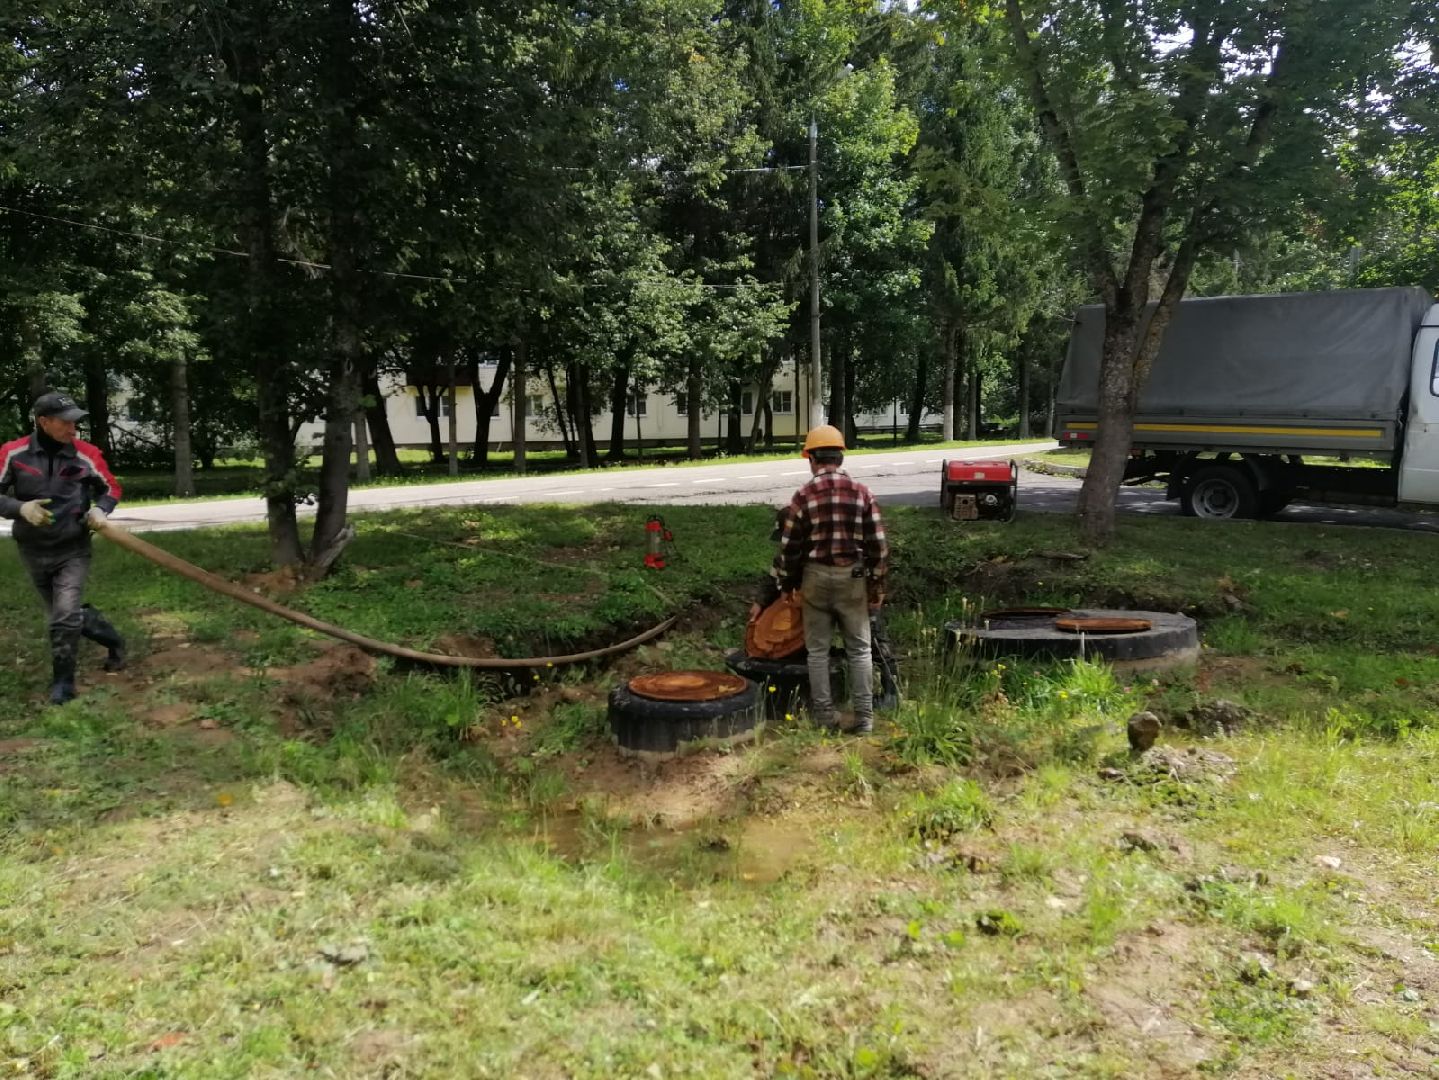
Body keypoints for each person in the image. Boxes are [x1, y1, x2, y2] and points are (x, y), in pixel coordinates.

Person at [0, 392, 126, 704]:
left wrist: (100, 510)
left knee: (64, 616)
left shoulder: (86, 454)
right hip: (32, 548)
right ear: (43, 422)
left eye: (76, 422)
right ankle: (114, 640)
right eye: (66, 422)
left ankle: (63, 685)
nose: (73, 429)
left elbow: (110, 487)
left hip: (73, 547)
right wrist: (20, 508)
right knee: (62, 614)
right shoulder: (13, 454)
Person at [771, 424, 888, 734]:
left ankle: (825, 717)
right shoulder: (862, 493)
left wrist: (786, 585)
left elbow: (790, 547)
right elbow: (878, 544)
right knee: (860, 650)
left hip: (815, 579)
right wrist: (875, 583)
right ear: (840, 457)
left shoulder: (803, 496)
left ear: (811, 458)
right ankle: (864, 719)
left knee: (818, 651)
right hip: (853, 578)